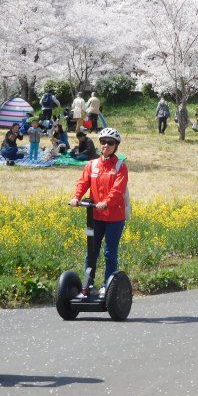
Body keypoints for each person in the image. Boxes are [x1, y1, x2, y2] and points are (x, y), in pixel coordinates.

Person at [70, 127, 129, 299]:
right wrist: (76, 197)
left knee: (109, 252)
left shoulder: (120, 166)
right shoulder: (92, 164)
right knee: (91, 251)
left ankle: (107, 286)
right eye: (103, 142)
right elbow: (83, 182)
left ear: (115, 145)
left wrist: (106, 202)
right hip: (95, 216)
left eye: (110, 143)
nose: (106, 145)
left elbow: (118, 190)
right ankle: (87, 286)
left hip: (114, 217)